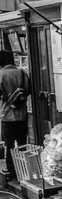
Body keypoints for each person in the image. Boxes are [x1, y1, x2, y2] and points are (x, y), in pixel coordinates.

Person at [0, 50, 31, 180]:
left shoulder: (1, 75)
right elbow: (28, 91)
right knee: (22, 142)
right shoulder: (22, 73)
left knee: (9, 144)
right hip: (22, 115)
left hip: (7, 115)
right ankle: (24, 169)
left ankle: (11, 170)